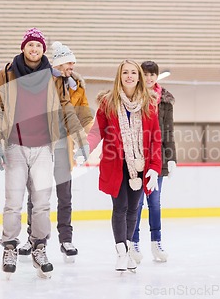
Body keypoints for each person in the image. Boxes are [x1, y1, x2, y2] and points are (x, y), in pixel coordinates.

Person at [0, 28, 89, 278]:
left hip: (44, 146)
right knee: (13, 202)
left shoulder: (54, 77)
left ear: (44, 50)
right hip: (15, 145)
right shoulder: (7, 73)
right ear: (23, 47)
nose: (34, 50)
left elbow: (67, 108)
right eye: (30, 45)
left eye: (39, 46)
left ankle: (39, 247)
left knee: (42, 204)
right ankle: (9, 247)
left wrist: (80, 137)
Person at [18, 41, 94, 262]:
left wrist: (83, 141)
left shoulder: (77, 86)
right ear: (59, 64)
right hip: (41, 145)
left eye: (73, 63)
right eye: (68, 63)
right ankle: (32, 238)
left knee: (65, 195)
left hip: (63, 147)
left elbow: (85, 116)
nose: (72, 66)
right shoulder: (43, 81)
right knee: (36, 195)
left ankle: (66, 239)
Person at [87, 59, 162, 272]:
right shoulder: (108, 102)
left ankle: (128, 249)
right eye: (125, 72)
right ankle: (121, 252)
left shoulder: (149, 103)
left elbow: (156, 138)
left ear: (139, 77)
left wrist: (155, 168)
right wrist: (85, 148)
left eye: (133, 73)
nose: (129, 76)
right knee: (120, 208)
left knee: (133, 209)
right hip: (115, 164)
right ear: (119, 76)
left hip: (140, 165)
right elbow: (97, 131)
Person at [129, 61, 177, 263]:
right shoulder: (132, 97)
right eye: (145, 74)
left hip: (159, 159)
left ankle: (156, 243)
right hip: (138, 158)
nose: (149, 78)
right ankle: (133, 242)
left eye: (152, 75)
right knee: (137, 203)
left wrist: (172, 157)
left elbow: (168, 132)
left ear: (157, 77)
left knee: (154, 203)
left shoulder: (164, 102)